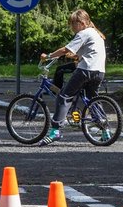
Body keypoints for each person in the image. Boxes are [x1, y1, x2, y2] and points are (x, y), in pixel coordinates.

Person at [38, 9, 107, 145]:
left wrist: (49, 56)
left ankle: (56, 131)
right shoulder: (96, 34)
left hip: (86, 70)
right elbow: (86, 52)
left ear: (81, 23)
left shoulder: (83, 33)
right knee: (93, 99)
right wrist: (75, 56)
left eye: (72, 24)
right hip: (99, 71)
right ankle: (105, 130)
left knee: (64, 96)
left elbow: (66, 50)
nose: (72, 28)